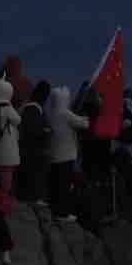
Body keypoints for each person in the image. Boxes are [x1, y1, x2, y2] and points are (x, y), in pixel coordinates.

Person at [47, 86, 90, 222]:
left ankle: (54, 209)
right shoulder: (65, 114)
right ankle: (62, 214)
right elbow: (84, 124)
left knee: (55, 184)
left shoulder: (50, 113)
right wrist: (86, 117)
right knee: (64, 186)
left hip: (53, 154)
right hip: (66, 156)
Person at [17, 80, 52, 205]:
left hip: (24, 148)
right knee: (34, 175)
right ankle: (34, 198)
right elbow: (33, 130)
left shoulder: (27, 106)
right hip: (32, 150)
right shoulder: (34, 109)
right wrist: (46, 131)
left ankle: (28, 197)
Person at [0, 79, 22, 193]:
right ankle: (4, 197)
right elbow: (18, 120)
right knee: (6, 176)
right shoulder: (7, 108)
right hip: (7, 149)